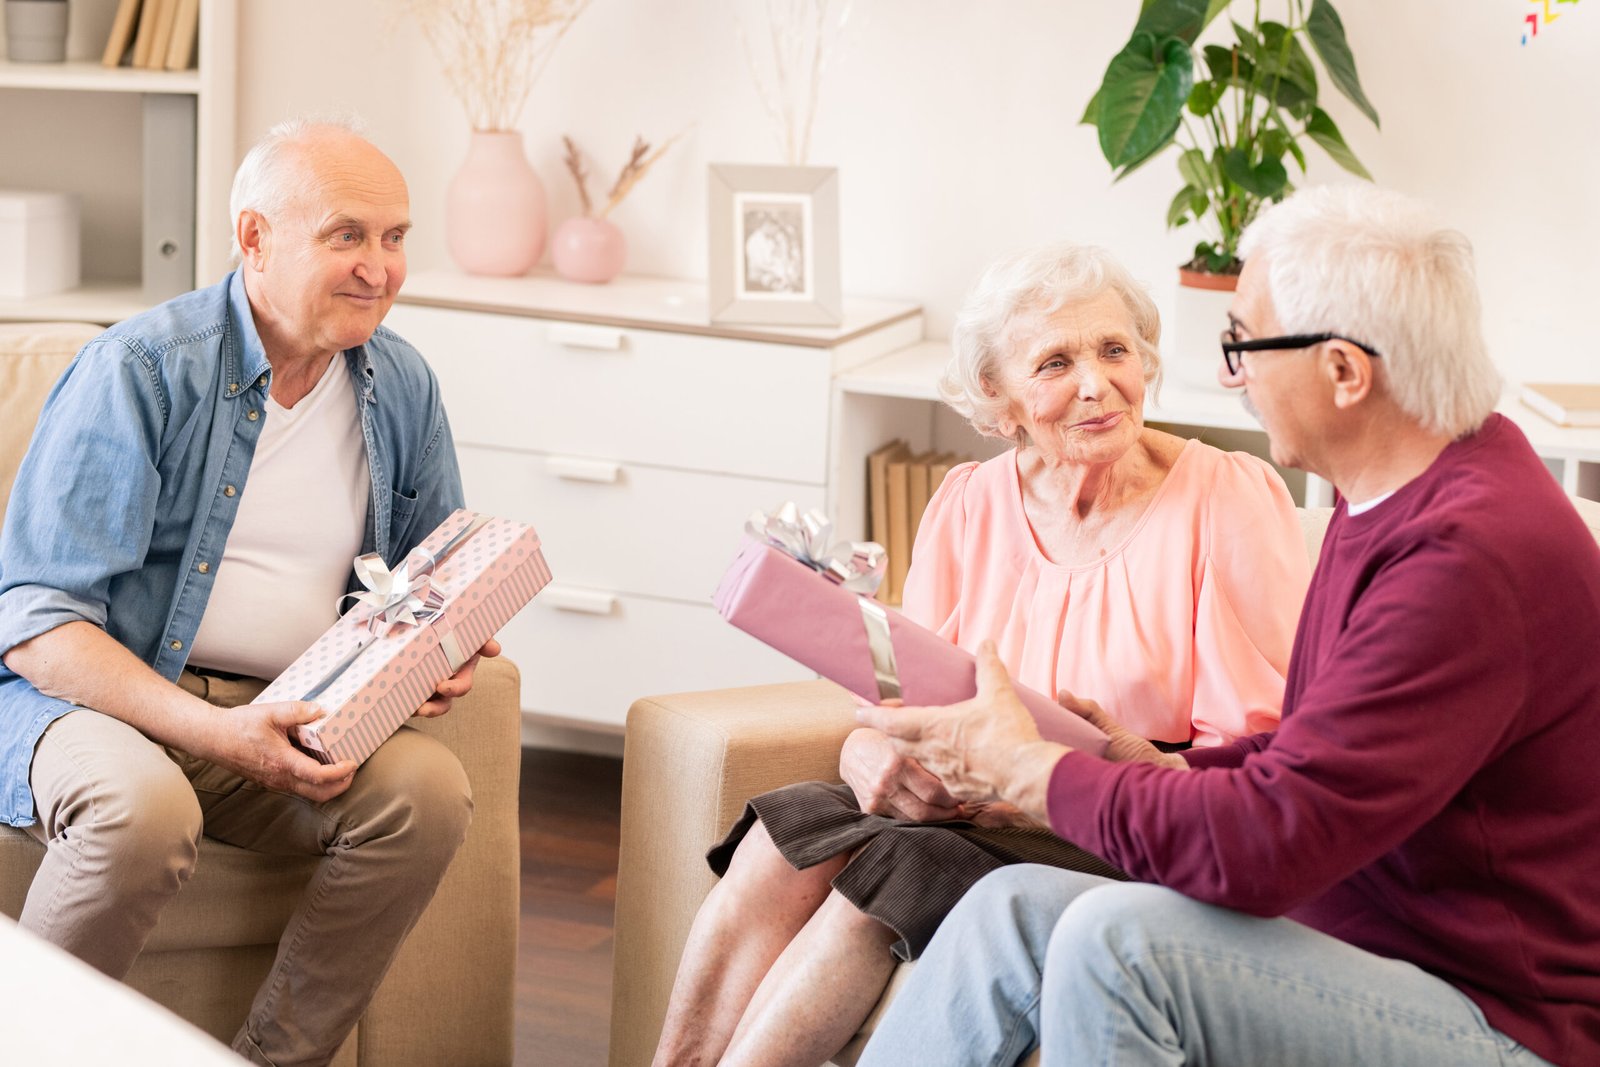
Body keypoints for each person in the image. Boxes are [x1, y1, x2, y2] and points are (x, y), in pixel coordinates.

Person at [856, 185, 1600, 1067]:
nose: (1228, 376)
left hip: (1491, 1018)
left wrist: (1030, 767)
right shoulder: (1390, 495)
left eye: (1243, 343)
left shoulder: (1466, 556)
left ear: (1344, 372)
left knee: (1114, 944)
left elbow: (1275, 842)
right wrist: (1151, 765)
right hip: (1369, 948)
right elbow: (1321, 755)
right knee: (1008, 908)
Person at [652, 243, 1311, 1067]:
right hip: (967, 803)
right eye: (1056, 363)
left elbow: (1261, 757)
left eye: (1114, 350)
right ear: (999, 400)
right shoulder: (968, 502)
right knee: (789, 831)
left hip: (1120, 819)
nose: (1097, 383)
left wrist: (1066, 775)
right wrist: (869, 755)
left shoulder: (1227, 497)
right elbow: (902, 691)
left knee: (897, 864)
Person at [0, 116, 499, 1067]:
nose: (380, 268)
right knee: (142, 812)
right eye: (347, 235)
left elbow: (429, 579)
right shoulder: (142, 370)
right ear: (255, 238)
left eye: (394, 237)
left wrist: (440, 651)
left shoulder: (401, 383)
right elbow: (39, 625)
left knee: (426, 793)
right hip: (94, 704)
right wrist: (217, 732)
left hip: (289, 708)